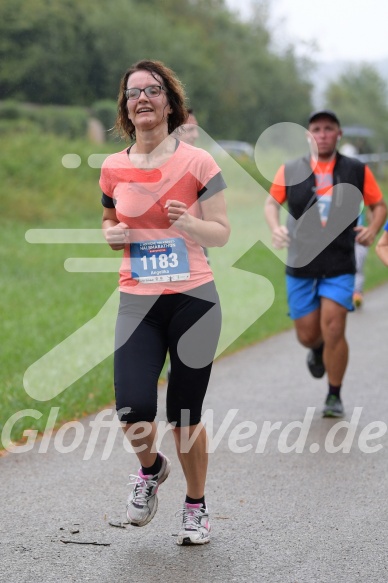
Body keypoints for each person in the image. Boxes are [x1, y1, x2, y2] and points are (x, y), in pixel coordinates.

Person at [100, 59, 230, 545]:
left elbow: (220, 232)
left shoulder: (199, 163)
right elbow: (109, 224)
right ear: (126, 107)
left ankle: (196, 507)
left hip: (193, 297)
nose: (144, 99)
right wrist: (116, 236)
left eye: (153, 90)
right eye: (134, 92)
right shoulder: (112, 167)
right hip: (138, 300)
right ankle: (151, 470)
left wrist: (189, 224)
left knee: (185, 412)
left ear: (169, 104)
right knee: (133, 407)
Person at [265, 109, 387, 418]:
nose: (322, 134)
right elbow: (271, 203)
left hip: (339, 261)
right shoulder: (291, 169)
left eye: (328, 129)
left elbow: (378, 205)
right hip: (301, 262)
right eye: (316, 129)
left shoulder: (357, 170)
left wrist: (373, 229)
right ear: (308, 135)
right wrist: (275, 227)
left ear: (338, 134)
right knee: (308, 335)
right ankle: (317, 351)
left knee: (334, 327)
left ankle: (334, 394)